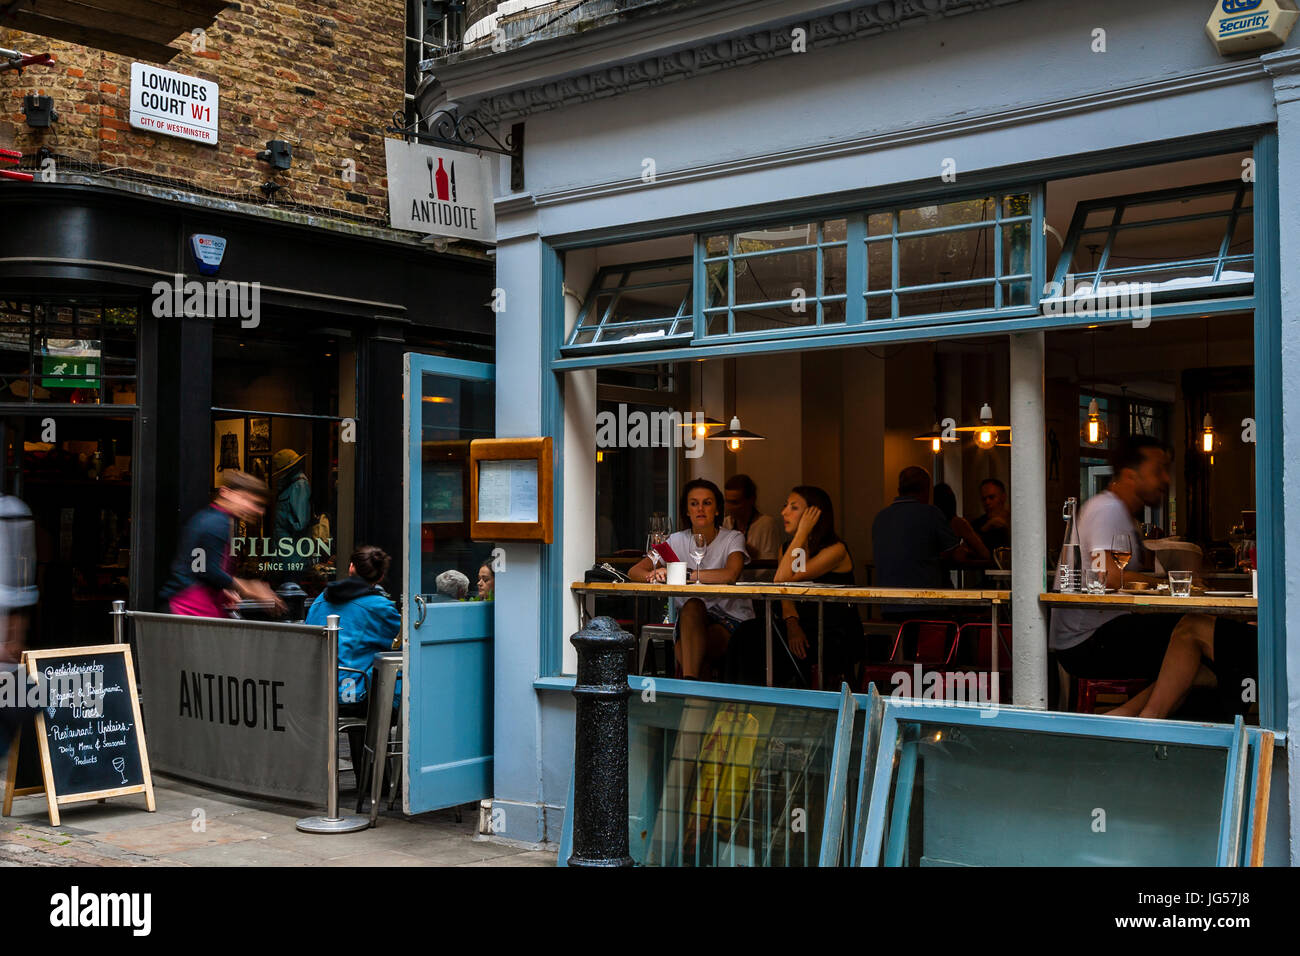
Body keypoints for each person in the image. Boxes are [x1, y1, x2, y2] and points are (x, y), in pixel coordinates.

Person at [1049, 436, 1256, 720]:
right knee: (1194, 640)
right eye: (1158, 470)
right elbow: (1108, 576)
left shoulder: (1122, 516)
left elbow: (1147, 567)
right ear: (1131, 475)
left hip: (1102, 631)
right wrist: (1168, 583)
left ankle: (1131, 717)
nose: (1164, 479)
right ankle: (1151, 721)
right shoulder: (1106, 509)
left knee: (1201, 650)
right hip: (1087, 641)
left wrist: (1184, 568)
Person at [729, 486, 864, 687]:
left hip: (831, 632)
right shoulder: (789, 548)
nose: (784, 512)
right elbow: (784, 590)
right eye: (786, 506)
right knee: (747, 632)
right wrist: (792, 624)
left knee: (762, 643)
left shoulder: (835, 549)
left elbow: (783, 579)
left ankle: (761, 699)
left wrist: (801, 533)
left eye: (793, 507)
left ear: (814, 514)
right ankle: (736, 701)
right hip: (801, 626)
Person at [629, 478, 753, 679]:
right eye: (694, 503)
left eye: (707, 502)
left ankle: (690, 689)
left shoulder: (733, 538)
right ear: (687, 511)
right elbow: (635, 571)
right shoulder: (675, 540)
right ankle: (695, 689)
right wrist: (655, 575)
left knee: (693, 653)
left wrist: (683, 575)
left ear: (717, 509)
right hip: (691, 620)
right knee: (693, 607)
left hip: (729, 617)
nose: (700, 509)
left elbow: (730, 574)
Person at [306, 545, 401, 786]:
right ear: (380, 576)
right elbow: (399, 640)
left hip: (317, 690)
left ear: (350, 567)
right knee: (401, 700)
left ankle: (371, 780)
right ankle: (386, 782)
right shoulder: (380, 607)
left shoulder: (321, 598)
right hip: (353, 697)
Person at [159, 471, 282, 617]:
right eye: (249, 500)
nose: (258, 510)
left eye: (259, 505)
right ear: (225, 492)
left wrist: (223, 590)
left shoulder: (212, 518)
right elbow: (207, 569)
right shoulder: (217, 522)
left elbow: (199, 566)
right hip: (190, 608)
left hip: (188, 607)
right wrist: (250, 588)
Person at [871, 466, 961, 617]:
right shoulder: (931, 514)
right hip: (926, 605)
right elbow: (954, 552)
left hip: (888, 606)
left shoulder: (880, 518)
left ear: (899, 489)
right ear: (926, 490)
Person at [722, 474, 783, 562]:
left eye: (735, 503)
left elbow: (772, 565)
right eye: (727, 501)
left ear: (751, 500)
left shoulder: (767, 524)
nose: (729, 507)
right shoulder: (725, 523)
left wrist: (752, 553)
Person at [933, 483, 991, 563]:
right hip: (941, 571)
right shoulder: (957, 523)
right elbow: (984, 553)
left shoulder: (928, 522)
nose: (987, 502)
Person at [971, 478, 1011, 552]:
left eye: (991, 497)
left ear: (1003, 497)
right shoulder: (977, 524)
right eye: (984, 499)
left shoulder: (1015, 520)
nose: (987, 502)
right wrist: (985, 528)